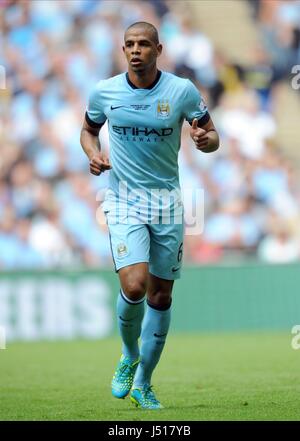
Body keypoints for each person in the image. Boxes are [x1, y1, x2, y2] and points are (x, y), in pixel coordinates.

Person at [80, 21, 219, 409]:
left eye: (143, 44)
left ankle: (143, 382)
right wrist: (93, 154)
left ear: (160, 49)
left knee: (160, 296)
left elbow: (212, 136)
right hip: (123, 202)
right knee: (136, 285)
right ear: (123, 50)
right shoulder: (105, 92)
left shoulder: (181, 91)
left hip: (168, 206)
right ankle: (128, 354)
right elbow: (87, 131)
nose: (136, 50)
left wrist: (206, 141)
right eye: (129, 44)